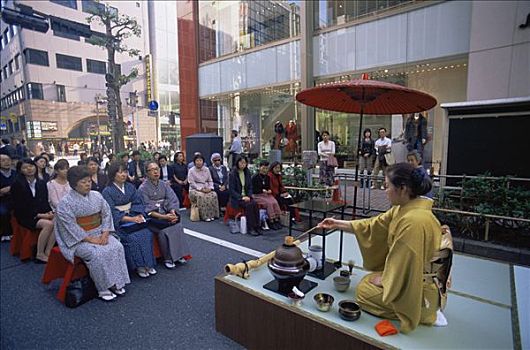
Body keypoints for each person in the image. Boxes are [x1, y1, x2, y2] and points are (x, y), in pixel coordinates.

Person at [318, 162, 443, 333]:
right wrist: (337, 223)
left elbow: (405, 263)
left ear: (403, 188)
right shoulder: (404, 209)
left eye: (387, 186)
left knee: (363, 291)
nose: (385, 191)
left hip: (419, 289)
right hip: (414, 279)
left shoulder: (414, 221)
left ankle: (423, 313)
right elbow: (373, 225)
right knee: (366, 281)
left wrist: (386, 280)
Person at [55, 166, 130, 301]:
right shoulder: (65, 203)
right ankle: (103, 288)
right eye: (83, 182)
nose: (88, 184)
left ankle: (116, 282)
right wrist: (90, 239)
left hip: (99, 232)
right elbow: (70, 227)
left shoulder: (97, 195)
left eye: (89, 181)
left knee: (117, 246)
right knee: (96, 254)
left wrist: (105, 233)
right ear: (73, 183)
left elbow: (106, 214)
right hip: (78, 239)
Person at [102, 162, 157, 278]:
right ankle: (139, 266)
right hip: (119, 224)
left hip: (133, 218)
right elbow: (111, 211)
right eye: (120, 172)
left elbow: (138, 202)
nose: (124, 175)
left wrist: (136, 216)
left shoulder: (130, 187)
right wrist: (130, 219)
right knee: (132, 238)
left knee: (146, 233)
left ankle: (148, 263)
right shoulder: (107, 191)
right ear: (113, 174)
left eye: (125, 172)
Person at [139, 161, 191, 269]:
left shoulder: (164, 184)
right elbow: (146, 208)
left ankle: (179, 255)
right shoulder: (143, 188)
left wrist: (172, 211)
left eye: (157, 169)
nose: (155, 172)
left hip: (166, 213)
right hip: (152, 218)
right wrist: (164, 217)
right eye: (152, 170)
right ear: (147, 173)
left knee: (177, 225)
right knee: (162, 232)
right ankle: (167, 258)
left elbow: (171, 199)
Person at [11, 158, 55, 263]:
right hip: (25, 216)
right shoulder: (17, 184)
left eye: (31, 166)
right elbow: (20, 207)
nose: (29, 169)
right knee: (48, 224)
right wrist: (41, 215)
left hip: (40, 213)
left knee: (57, 221)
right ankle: (39, 254)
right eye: (25, 168)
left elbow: (44, 200)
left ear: (35, 167)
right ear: (21, 170)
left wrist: (49, 212)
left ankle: (48, 251)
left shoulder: (40, 183)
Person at [228, 156, 262, 236]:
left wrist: (249, 196)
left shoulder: (247, 172)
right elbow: (231, 190)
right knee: (249, 205)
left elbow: (250, 186)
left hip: (247, 196)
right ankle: (251, 228)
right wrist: (241, 197)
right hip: (237, 198)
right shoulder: (233, 174)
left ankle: (257, 226)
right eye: (241, 162)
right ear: (237, 163)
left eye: (244, 163)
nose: (243, 164)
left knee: (255, 204)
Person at [188, 154, 219, 222]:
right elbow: (191, 183)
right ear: (194, 162)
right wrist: (200, 189)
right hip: (194, 189)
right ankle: (204, 216)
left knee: (213, 194)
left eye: (200, 160)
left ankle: (213, 214)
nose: (199, 162)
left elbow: (210, 180)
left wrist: (210, 188)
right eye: (197, 160)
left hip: (206, 187)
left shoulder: (206, 169)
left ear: (203, 162)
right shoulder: (191, 170)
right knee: (201, 196)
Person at [251, 160, 282, 230]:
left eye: (266, 168)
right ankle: (271, 220)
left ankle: (277, 219)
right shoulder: (254, 177)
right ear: (259, 167)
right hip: (257, 195)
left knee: (274, 201)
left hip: (265, 195)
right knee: (269, 203)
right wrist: (262, 190)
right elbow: (252, 189)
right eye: (263, 168)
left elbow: (268, 187)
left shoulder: (267, 177)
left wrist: (269, 190)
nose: (265, 170)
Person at [0, 154, 16, 242]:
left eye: (8, 160)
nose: (7, 162)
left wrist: (9, 189)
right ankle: (6, 233)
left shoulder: (15, 173)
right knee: (3, 212)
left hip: (15, 199)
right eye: (3, 160)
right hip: (2, 200)